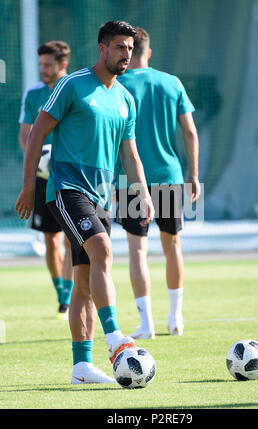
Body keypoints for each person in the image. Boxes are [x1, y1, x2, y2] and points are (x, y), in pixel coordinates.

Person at [15, 21, 154, 384]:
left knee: (83, 281)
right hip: (65, 188)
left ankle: (81, 368)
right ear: (102, 48)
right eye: (119, 47)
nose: (126, 54)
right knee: (103, 251)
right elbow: (34, 136)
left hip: (101, 196)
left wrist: (142, 192)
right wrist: (29, 187)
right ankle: (114, 338)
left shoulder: (126, 99)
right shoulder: (72, 84)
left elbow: (131, 155)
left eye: (129, 48)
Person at [115, 27, 200, 339]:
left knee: (137, 250)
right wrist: (193, 174)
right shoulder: (171, 82)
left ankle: (146, 324)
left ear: (128, 51)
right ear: (148, 52)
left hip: (130, 180)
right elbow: (190, 132)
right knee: (172, 244)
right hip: (169, 175)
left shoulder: (116, 84)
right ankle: (175, 318)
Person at [18, 41, 74, 320]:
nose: (43, 69)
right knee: (51, 241)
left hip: (71, 175)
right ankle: (62, 295)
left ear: (62, 64)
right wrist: (38, 160)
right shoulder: (33, 94)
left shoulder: (74, 89)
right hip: (42, 177)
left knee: (71, 240)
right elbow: (24, 135)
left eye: (48, 65)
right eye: (41, 64)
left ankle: (70, 296)